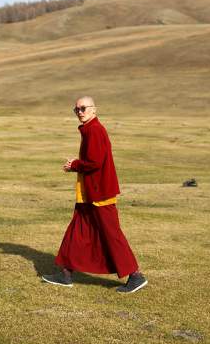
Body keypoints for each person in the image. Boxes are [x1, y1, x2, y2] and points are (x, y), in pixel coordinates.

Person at [41, 96, 148, 294]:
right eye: (76, 110)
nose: (79, 112)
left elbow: (95, 162)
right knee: (77, 231)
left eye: (83, 108)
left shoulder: (95, 130)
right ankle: (65, 274)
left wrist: (75, 165)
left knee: (111, 233)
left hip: (100, 194)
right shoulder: (89, 129)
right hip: (89, 193)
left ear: (93, 110)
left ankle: (135, 275)